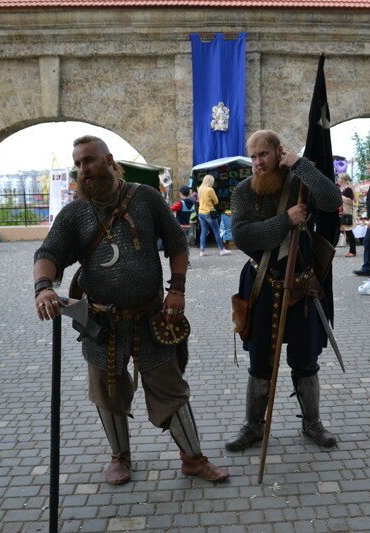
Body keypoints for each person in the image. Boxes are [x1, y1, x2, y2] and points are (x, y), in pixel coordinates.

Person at [33, 135, 228, 485]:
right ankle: (120, 456)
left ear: (108, 160)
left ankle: (193, 459)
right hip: (100, 323)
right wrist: (44, 288)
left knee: (170, 389)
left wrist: (178, 289)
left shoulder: (146, 198)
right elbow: (47, 254)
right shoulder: (75, 213)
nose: (83, 170)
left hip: (149, 316)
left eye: (89, 160)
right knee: (106, 393)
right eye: (77, 164)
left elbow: (176, 244)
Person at [227, 129, 342, 451]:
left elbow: (332, 200)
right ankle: (252, 426)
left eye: (263, 154)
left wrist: (302, 165)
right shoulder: (243, 191)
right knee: (261, 361)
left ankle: (312, 423)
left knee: (305, 359)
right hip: (263, 283)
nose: (257, 162)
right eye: (252, 156)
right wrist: (286, 221)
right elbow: (243, 237)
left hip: (302, 286)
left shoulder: (300, 184)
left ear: (279, 152)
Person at [196, 174, 230, 257]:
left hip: (201, 212)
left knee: (203, 231)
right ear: (210, 181)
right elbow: (216, 201)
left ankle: (202, 251)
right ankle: (222, 250)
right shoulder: (210, 190)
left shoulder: (200, 189)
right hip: (209, 212)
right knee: (216, 230)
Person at [337, 173, 357, 257]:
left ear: (344, 179)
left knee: (349, 231)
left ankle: (352, 251)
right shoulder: (344, 189)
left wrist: (340, 196)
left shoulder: (348, 189)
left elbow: (349, 200)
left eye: (339, 178)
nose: (338, 180)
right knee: (346, 231)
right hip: (344, 212)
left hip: (347, 213)